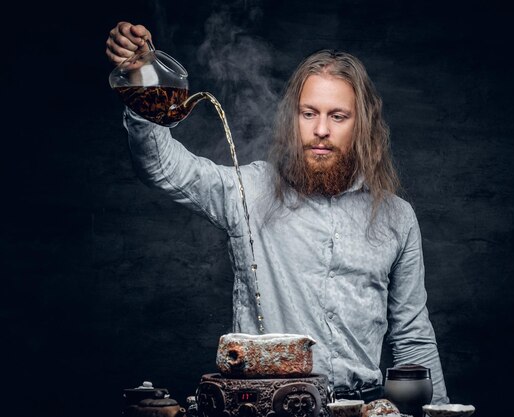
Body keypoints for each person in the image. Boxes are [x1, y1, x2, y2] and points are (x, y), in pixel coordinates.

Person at [106, 21, 449, 404]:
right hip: (266, 407)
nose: (320, 129)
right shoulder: (249, 191)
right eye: (308, 113)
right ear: (294, 118)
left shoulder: (396, 218)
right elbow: (162, 167)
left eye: (338, 116)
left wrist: (436, 412)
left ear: (362, 125)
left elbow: (412, 337)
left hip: (361, 409)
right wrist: (142, 84)